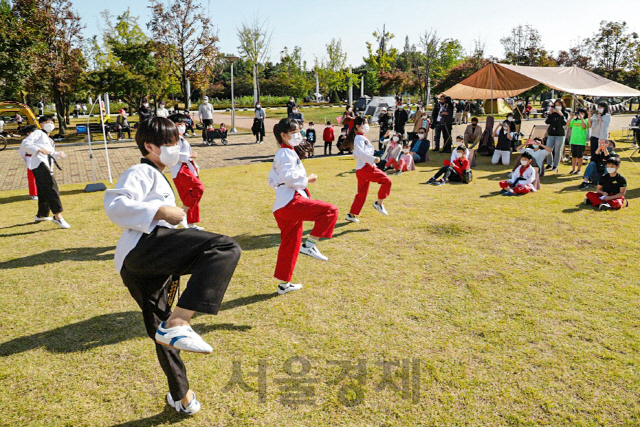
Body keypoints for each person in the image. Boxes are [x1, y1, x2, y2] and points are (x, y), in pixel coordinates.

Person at [103, 117, 241, 416]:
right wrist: (160, 210)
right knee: (225, 247)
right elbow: (115, 204)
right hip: (144, 250)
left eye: (177, 141)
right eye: (169, 143)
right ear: (149, 146)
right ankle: (181, 320)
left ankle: (181, 396)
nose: (176, 147)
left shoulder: (159, 174)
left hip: (143, 264)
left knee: (160, 329)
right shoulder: (140, 170)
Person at [267, 118, 338, 294]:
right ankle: (310, 244)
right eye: (294, 132)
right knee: (330, 210)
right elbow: (288, 177)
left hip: (283, 205)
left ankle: (284, 284)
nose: (299, 135)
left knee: (290, 245)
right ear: (283, 135)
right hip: (290, 202)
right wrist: (308, 180)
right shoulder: (284, 153)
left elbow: (273, 179)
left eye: (300, 131)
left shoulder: (286, 152)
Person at [20, 115, 70, 228]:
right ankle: (58, 216)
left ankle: (42, 214)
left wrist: (58, 154)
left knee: (43, 189)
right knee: (51, 186)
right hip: (38, 163)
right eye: (47, 122)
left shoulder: (50, 139)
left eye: (52, 122)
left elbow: (51, 152)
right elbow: (25, 144)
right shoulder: (37, 133)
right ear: (41, 124)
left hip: (45, 164)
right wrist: (38, 150)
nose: (50, 124)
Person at [345, 116, 392, 222]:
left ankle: (351, 215)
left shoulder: (361, 137)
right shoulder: (359, 138)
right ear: (357, 126)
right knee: (387, 181)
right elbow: (359, 153)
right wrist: (373, 158)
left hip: (362, 168)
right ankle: (378, 204)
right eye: (364, 123)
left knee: (362, 193)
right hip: (365, 167)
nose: (367, 125)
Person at [168, 113, 205, 230]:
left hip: (186, 167)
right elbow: (173, 154)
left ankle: (191, 224)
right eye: (179, 124)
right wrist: (190, 155)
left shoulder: (180, 137)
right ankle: (182, 214)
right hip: (180, 169)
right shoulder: (171, 138)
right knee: (198, 188)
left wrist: (194, 165)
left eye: (184, 124)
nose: (182, 126)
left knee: (191, 196)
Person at [544, 99, 569, 171]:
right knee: (548, 149)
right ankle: (549, 164)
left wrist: (561, 114)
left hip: (560, 134)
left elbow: (564, 123)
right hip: (551, 133)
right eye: (556, 105)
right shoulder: (553, 113)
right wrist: (550, 114)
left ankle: (555, 165)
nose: (557, 107)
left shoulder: (565, 113)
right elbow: (547, 122)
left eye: (559, 105)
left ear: (562, 105)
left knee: (557, 150)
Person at [568, 108, 589, 175]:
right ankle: (573, 169)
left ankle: (579, 169)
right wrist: (571, 117)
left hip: (581, 141)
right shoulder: (574, 120)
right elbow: (568, 125)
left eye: (582, 113)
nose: (580, 115)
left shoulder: (585, 120)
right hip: (573, 140)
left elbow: (584, 127)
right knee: (573, 156)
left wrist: (582, 118)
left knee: (580, 156)